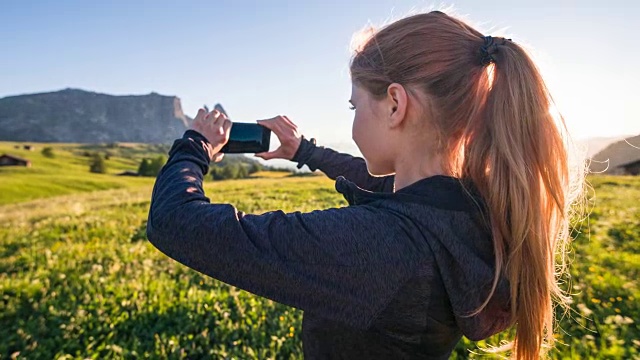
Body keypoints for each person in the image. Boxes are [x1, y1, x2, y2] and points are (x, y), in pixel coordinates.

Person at [146, 10, 585, 360]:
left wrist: (196, 145)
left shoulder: (381, 247)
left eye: (354, 104)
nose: (353, 118)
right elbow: (381, 185)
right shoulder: (469, 206)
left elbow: (175, 221)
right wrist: (305, 151)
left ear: (395, 104)